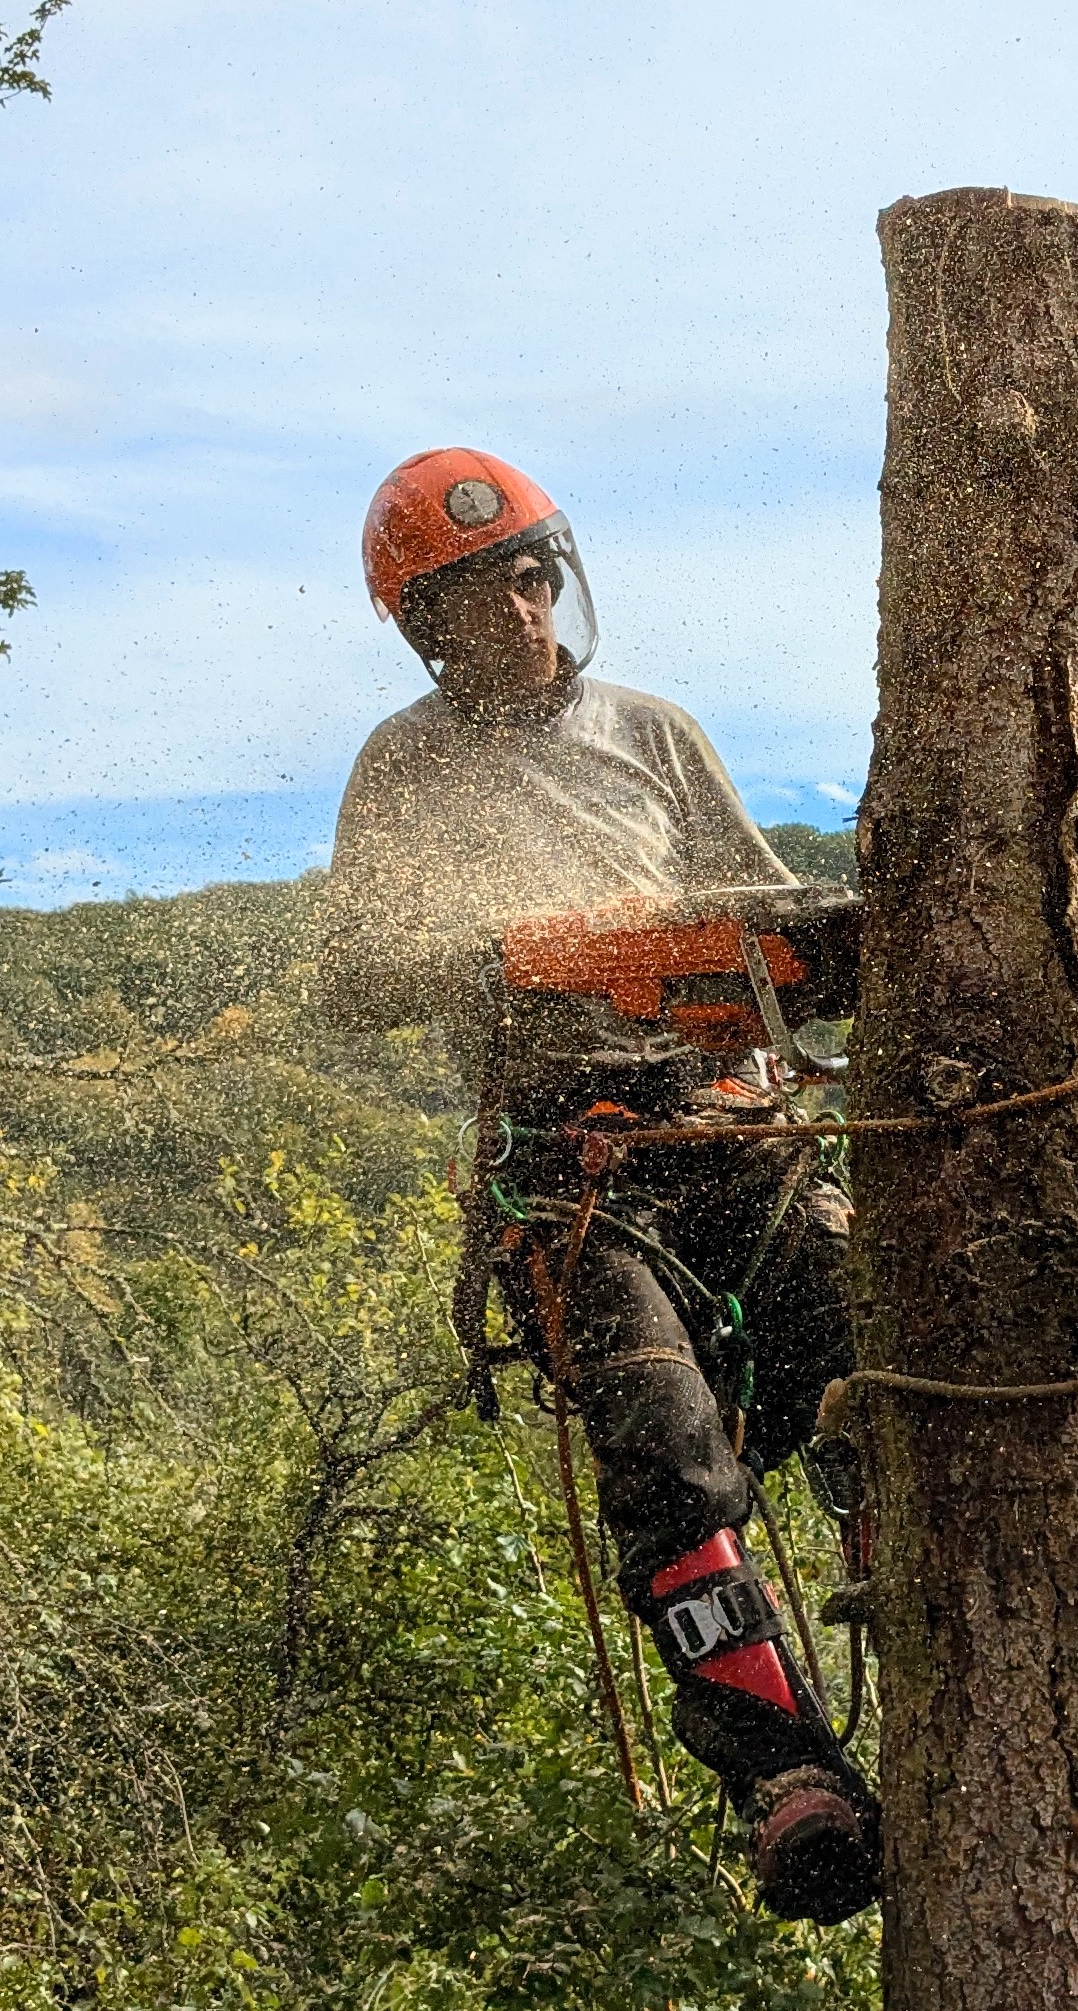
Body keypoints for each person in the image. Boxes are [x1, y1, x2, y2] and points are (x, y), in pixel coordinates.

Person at [317, 448, 881, 1924]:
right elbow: (353, 977)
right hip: (567, 1168)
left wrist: (817, 942)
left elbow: (771, 926)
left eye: (517, 577)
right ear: (423, 629)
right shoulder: (404, 767)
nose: (505, 611)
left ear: (549, 575)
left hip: (724, 1126)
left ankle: (951, 1640)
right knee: (668, 1447)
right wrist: (516, 952)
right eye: (458, 601)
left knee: (867, 1368)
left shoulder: (656, 733)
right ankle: (783, 1775)